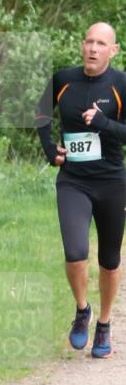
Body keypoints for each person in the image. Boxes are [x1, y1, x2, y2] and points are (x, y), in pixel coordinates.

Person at [35, 22, 126, 358]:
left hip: (112, 182)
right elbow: (41, 113)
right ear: (82, 45)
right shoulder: (63, 79)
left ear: (113, 50)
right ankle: (82, 309)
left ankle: (104, 323)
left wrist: (104, 123)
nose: (92, 48)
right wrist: (49, 149)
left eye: (101, 43)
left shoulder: (121, 84)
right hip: (73, 181)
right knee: (75, 253)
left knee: (109, 261)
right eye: (88, 41)